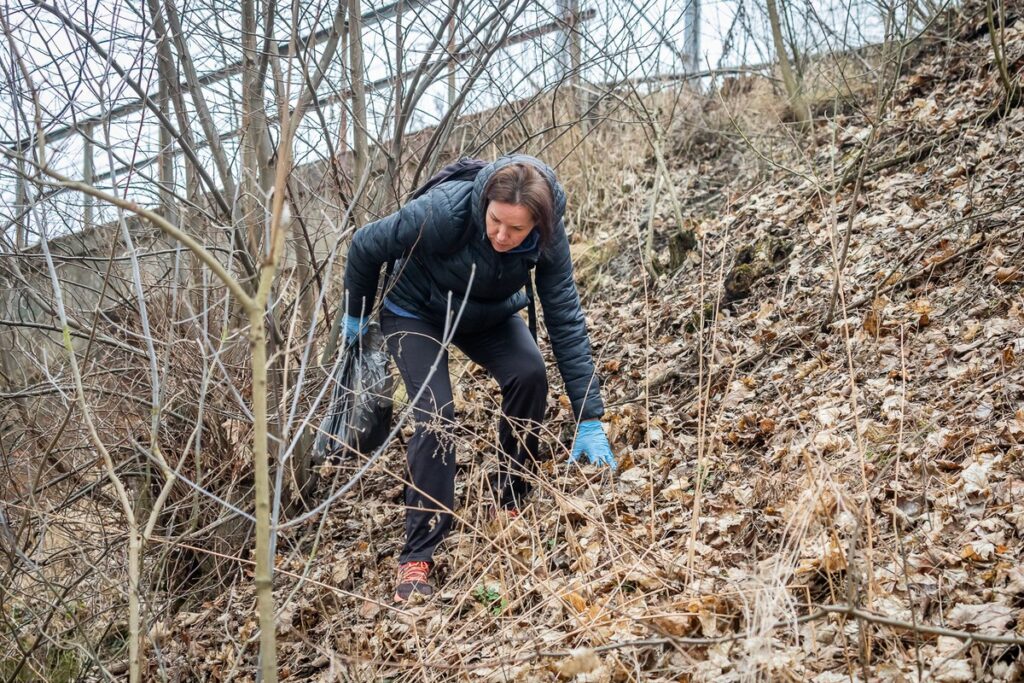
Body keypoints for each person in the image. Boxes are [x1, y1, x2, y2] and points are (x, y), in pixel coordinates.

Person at [342, 154, 614, 603]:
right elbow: (365, 245)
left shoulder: (549, 238)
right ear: (484, 203)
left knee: (529, 374)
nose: (502, 237)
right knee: (436, 414)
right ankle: (418, 554)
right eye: (495, 222)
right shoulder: (444, 212)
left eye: (517, 230)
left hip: (486, 314)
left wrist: (589, 416)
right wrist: (354, 315)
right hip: (416, 312)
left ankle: (510, 497)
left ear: (538, 226)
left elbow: (565, 314)